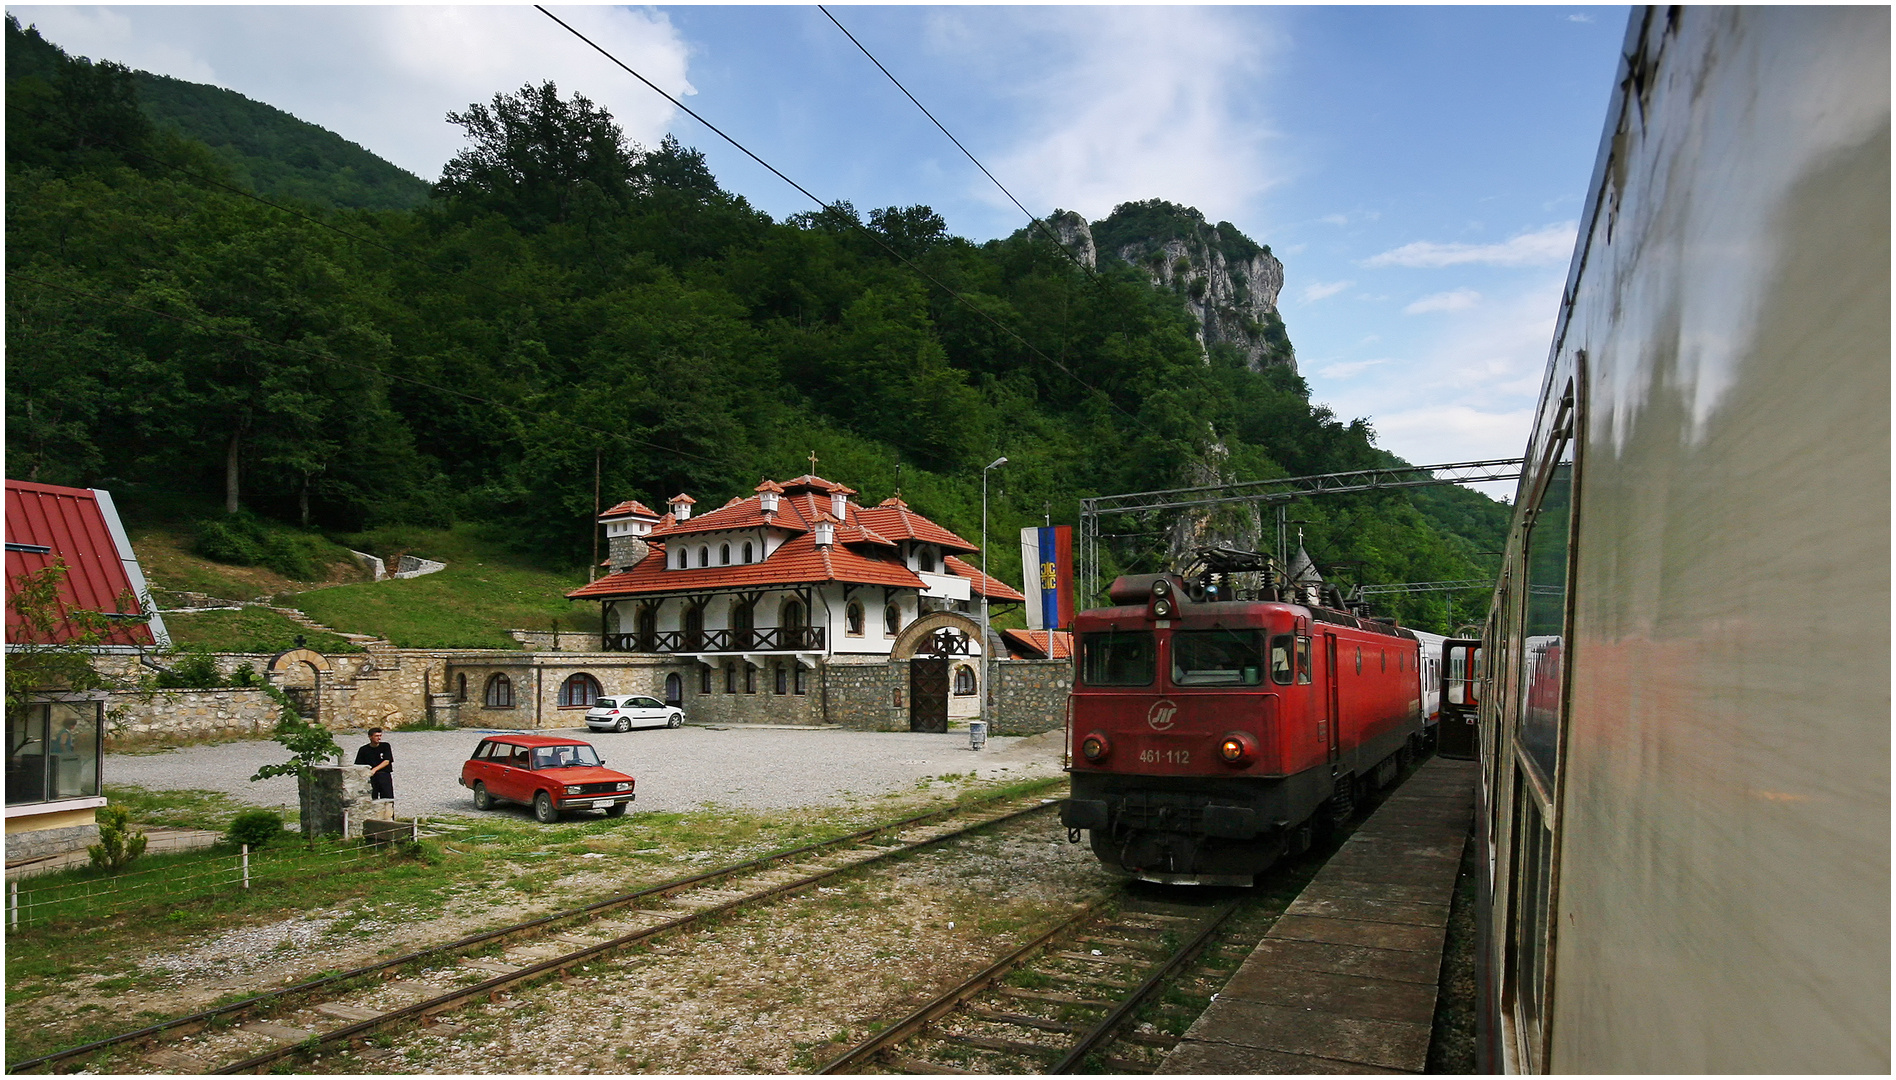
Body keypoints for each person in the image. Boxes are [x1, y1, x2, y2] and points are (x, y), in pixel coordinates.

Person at [355, 728, 394, 800]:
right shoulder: (363, 749)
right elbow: (358, 765)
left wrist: (374, 769)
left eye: (380, 736)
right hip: (370, 777)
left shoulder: (385, 746)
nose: (379, 738)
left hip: (384, 775)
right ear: (370, 737)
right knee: (372, 798)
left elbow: (387, 761)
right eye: (376, 736)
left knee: (387, 798)